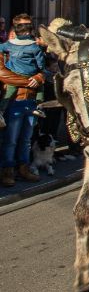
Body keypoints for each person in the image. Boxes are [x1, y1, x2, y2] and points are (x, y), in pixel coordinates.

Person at [0, 13, 45, 186]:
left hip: (30, 100)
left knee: (26, 138)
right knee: (10, 139)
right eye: (23, 25)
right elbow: (4, 75)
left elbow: (43, 69)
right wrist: (31, 81)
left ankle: (23, 167)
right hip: (15, 100)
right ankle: (8, 170)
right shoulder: (5, 48)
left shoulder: (35, 47)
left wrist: (40, 77)